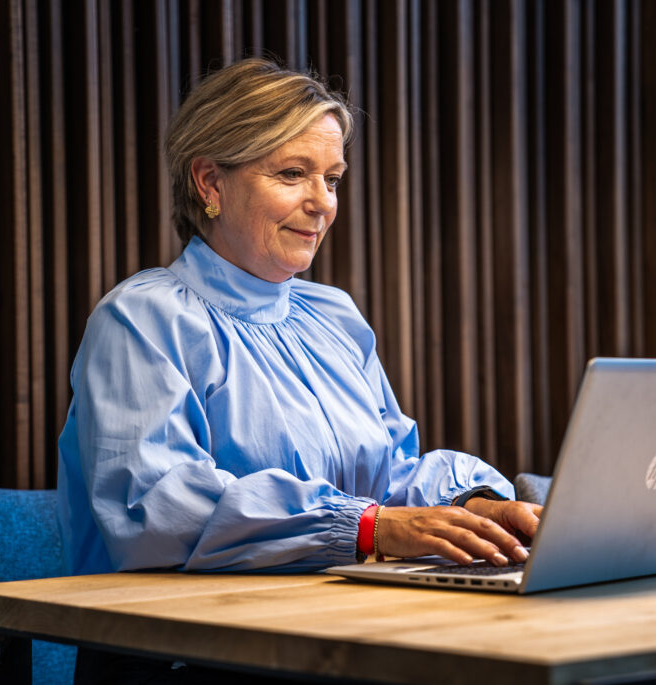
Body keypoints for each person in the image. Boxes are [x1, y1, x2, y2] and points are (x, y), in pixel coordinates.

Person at [58, 58, 541, 682]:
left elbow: (389, 474)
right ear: (209, 182)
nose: (322, 205)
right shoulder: (141, 319)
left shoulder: (333, 316)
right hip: (190, 659)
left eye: (332, 179)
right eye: (292, 175)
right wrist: (369, 528)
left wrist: (472, 509)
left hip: (332, 634)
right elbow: (157, 510)